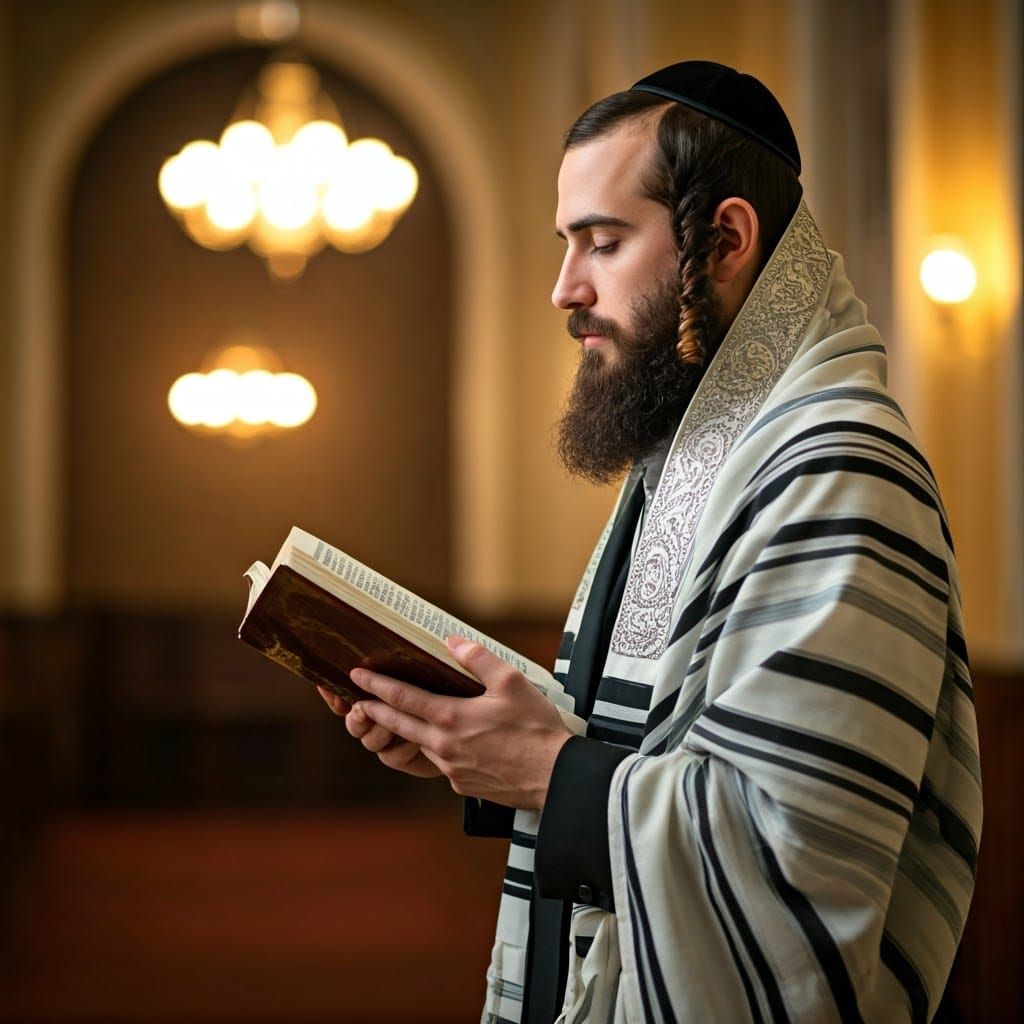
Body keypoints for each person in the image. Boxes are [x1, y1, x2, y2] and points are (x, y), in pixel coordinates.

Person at [319, 61, 982, 1024]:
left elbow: (790, 868)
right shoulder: (696, 449)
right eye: (566, 245)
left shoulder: (837, 470)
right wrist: (469, 742)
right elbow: (643, 747)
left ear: (724, 241)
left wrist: (545, 770)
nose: (564, 289)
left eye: (603, 242)